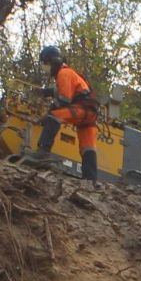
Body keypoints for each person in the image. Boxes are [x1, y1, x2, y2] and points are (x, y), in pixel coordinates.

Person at [36, 44, 101, 182]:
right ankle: (90, 179)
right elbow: (66, 91)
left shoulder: (63, 73)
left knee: (54, 116)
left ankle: (43, 152)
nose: (45, 68)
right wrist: (46, 92)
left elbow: (64, 99)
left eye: (46, 64)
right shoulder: (69, 74)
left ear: (52, 62)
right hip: (90, 113)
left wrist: (49, 112)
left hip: (82, 109)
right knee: (87, 146)